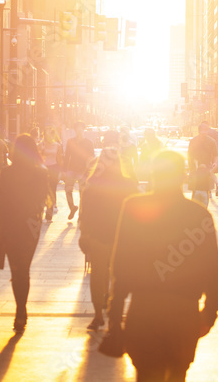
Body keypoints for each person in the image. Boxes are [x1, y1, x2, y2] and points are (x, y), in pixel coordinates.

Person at [106, 150, 218, 380]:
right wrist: (208, 315)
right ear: (184, 176)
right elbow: (213, 275)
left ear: (152, 175)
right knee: (177, 374)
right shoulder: (199, 216)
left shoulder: (134, 208)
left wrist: (115, 316)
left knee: (147, 374)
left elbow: (120, 268)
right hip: (183, 315)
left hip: (144, 312)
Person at [79, 136, 139, 330]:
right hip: (121, 237)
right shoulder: (128, 184)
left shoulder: (93, 184)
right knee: (117, 276)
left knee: (98, 275)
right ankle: (113, 312)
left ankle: (98, 315)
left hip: (99, 236)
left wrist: (85, 233)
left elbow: (85, 212)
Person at [0, 134, 49, 332]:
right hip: (30, 228)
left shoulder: (5, 173)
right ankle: (21, 311)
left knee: (16, 270)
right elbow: (43, 201)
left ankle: (20, 310)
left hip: (9, 227)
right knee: (24, 269)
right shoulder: (41, 174)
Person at [62, 121, 96, 220]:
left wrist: (90, 169)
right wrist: (64, 170)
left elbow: (92, 157)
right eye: (77, 128)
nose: (79, 130)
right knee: (68, 190)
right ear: (75, 130)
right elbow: (67, 156)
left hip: (83, 170)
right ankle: (72, 208)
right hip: (71, 169)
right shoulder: (70, 141)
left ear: (83, 129)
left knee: (82, 193)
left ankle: (81, 214)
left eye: (81, 128)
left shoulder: (89, 142)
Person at [188, 121, 218, 204]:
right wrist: (192, 168)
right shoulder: (193, 141)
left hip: (206, 168)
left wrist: (214, 164)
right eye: (203, 130)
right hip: (197, 169)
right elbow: (190, 156)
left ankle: (203, 210)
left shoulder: (211, 142)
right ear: (199, 131)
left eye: (205, 130)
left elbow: (216, 155)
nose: (204, 132)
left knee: (205, 190)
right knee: (196, 191)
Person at [41, 127, 63, 222]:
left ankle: (49, 214)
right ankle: (40, 211)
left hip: (54, 168)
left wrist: (62, 171)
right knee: (43, 190)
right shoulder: (41, 144)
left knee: (52, 189)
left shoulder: (57, 145)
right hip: (43, 169)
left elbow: (60, 159)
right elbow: (37, 156)